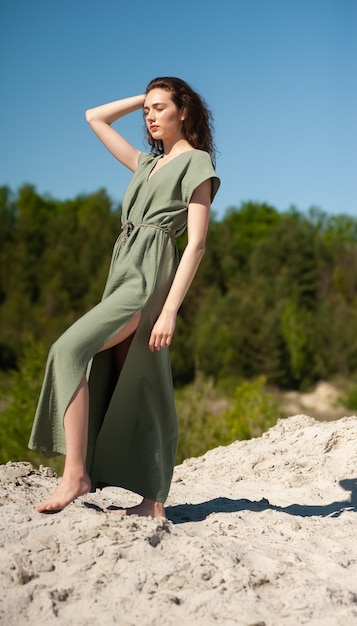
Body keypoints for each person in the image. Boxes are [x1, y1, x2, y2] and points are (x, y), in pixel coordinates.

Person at [28, 77, 220, 517]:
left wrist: (170, 309)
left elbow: (196, 245)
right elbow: (94, 116)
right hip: (123, 269)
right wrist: (146, 93)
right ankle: (152, 501)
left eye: (159, 108)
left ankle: (75, 475)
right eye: (146, 111)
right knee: (140, 378)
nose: (150, 116)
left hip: (150, 276)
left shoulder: (197, 163)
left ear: (184, 111)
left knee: (68, 350)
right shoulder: (144, 164)